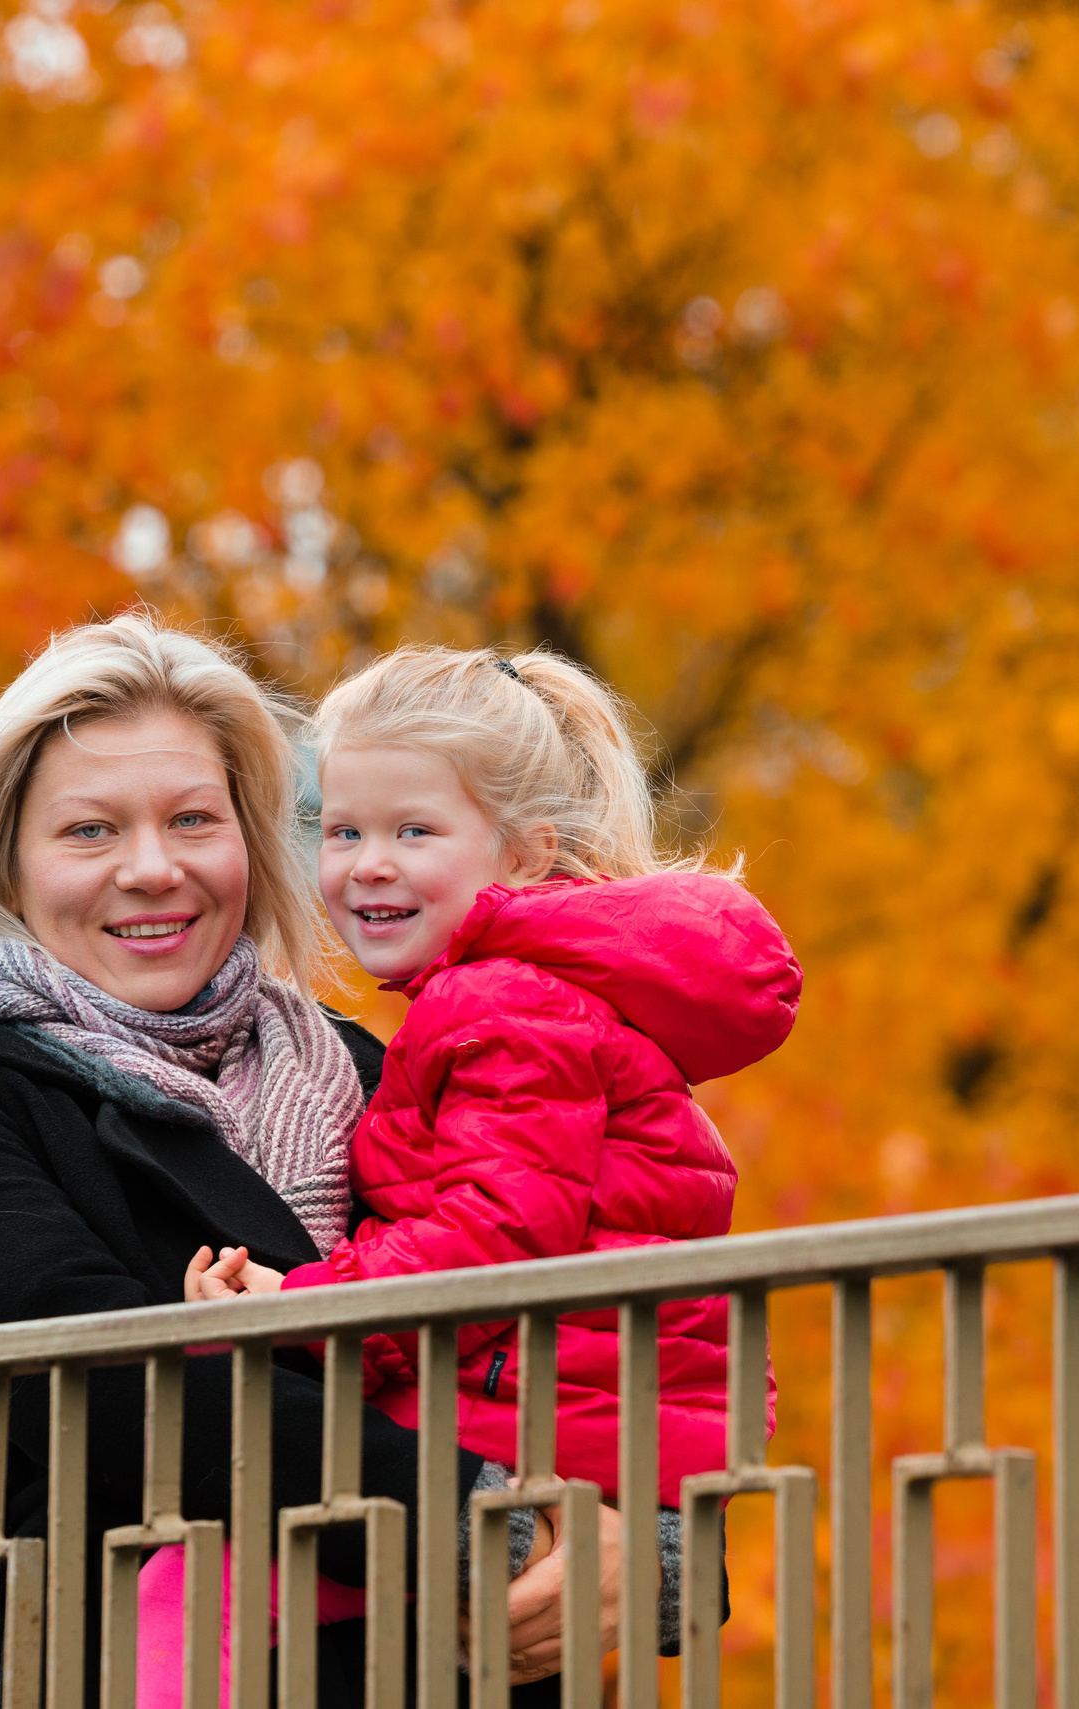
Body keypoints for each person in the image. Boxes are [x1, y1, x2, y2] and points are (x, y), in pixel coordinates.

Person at [0, 615, 613, 1708]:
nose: (152, 868)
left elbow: (600, 1311)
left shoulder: (375, 1067)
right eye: (90, 831)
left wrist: (641, 1549)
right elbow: (101, 1391)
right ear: (5, 860)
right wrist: (487, 1516)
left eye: (193, 818)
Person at [188, 644, 801, 1648]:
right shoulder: (516, 996)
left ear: (522, 853)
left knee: (215, 1594)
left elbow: (498, 1234)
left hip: (526, 1423)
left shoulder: (503, 1003)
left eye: (413, 830)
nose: (366, 862)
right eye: (342, 829)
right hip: (573, 1414)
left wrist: (302, 1306)